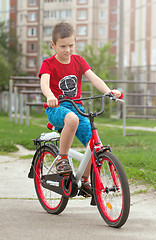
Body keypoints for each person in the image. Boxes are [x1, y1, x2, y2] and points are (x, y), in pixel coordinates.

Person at [39, 22, 121, 197]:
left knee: (94, 144)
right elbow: (44, 84)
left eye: (71, 45)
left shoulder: (79, 61)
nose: (67, 50)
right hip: (56, 108)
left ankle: (84, 182)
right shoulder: (48, 64)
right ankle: (62, 159)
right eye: (63, 46)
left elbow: (94, 78)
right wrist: (50, 96)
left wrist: (108, 91)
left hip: (77, 107)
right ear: (53, 45)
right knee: (72, 120)